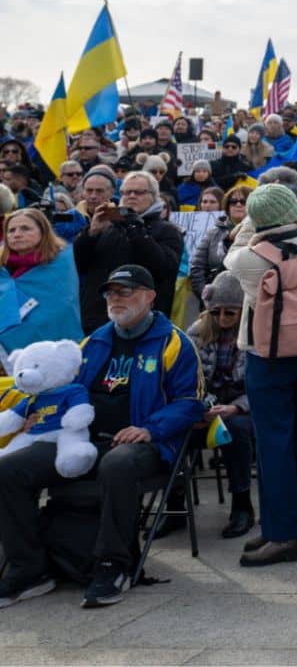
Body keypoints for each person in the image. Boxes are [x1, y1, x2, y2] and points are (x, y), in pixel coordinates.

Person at [0, 265, 204, 608]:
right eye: (111, 293)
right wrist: (35, 412)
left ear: (150, 296)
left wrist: (149, 428)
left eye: (125, 291)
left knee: (118, 464)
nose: (116, 299)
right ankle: (29, 568)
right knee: (8, 470)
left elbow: (191, 402)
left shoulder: (174, 342)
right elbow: (59, 385)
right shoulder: (93, 341)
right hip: (80, 439)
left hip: (147, 443)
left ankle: (113, 565)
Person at [224, 183, 297, 567]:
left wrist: (249, 220)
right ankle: (290, 520)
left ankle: (284, 534)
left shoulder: (249, 259)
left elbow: (231, 254)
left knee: (273, 444)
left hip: (267, 356)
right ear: (293, 211)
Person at [73, 170, 184, 332]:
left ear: (153, 196)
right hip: (98, 320)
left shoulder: (167, 230)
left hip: (142, 323)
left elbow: (164, 268)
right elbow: (80, 265)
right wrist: (91, 234)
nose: (131, 196)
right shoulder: (107, 227)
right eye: (126, 192)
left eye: (139, 192)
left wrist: (135, 229)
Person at [191, 272, 257, 538]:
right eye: (216, 312)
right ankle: (174, 500)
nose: (222, 319)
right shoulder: (196, 333)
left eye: (230, 313)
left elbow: (260, 387)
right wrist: (200, 407)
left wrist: (237, 406)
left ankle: (242, 504)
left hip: (241, 405)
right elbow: (186, 378)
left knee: (236, 428)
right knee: (176, 424)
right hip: (207, 402)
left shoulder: (254, 334)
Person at [0, 208, 83, 351]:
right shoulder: (2, 268)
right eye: (11, 230)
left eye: (25, 229)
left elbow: (62, 308)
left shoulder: (64, 261)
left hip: (52, 349)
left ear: (43, 232)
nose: (17, 234)